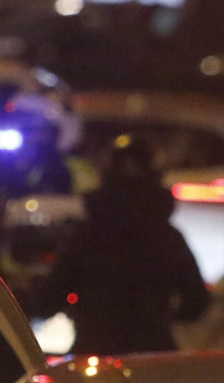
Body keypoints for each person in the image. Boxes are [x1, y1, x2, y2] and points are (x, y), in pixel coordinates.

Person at [32, 140, 210, 355]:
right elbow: (196, 301)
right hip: (152, 352)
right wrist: (162, 315)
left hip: (97, 352)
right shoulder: (168, 238)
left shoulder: (87, 237)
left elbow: (51, 297)